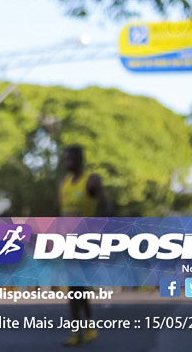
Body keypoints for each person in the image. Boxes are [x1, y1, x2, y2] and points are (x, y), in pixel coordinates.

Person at [58, 144, 110, 347]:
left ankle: (79, 332)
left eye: (70, 159)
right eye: (65, 159)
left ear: (80, 160)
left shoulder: (91, 181)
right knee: (77, 288)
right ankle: (86, 329)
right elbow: (59, 213)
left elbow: (107, 204)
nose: (67, 162)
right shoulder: (64, 184)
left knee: (75, 288)